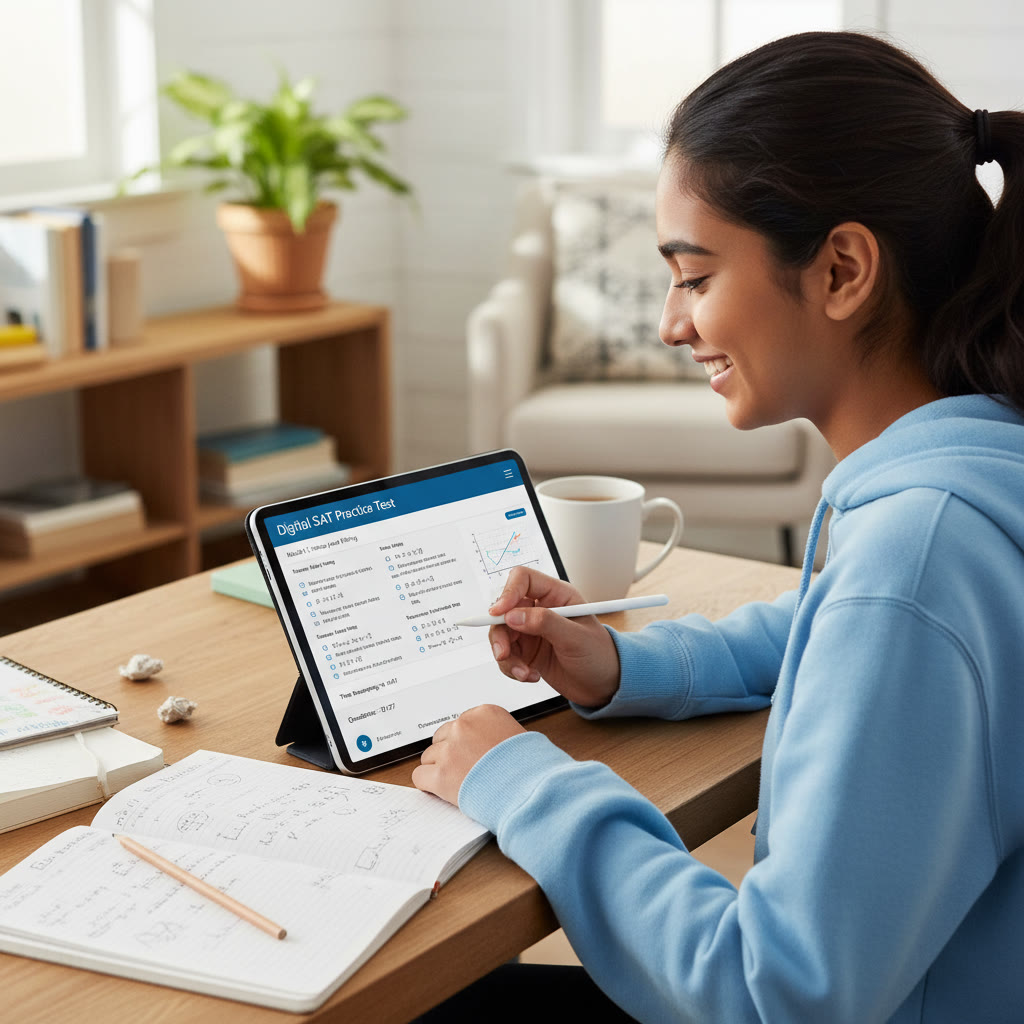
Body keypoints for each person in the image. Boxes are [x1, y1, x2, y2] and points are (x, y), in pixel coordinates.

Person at [413, 30, 1024, 1023]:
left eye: (694, 276)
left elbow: (772, 993)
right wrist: (617, 667)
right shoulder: (980, 469)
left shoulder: (916, 560)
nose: (670, 322)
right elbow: (824, 631)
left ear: (841, 270)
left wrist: (523, 782)